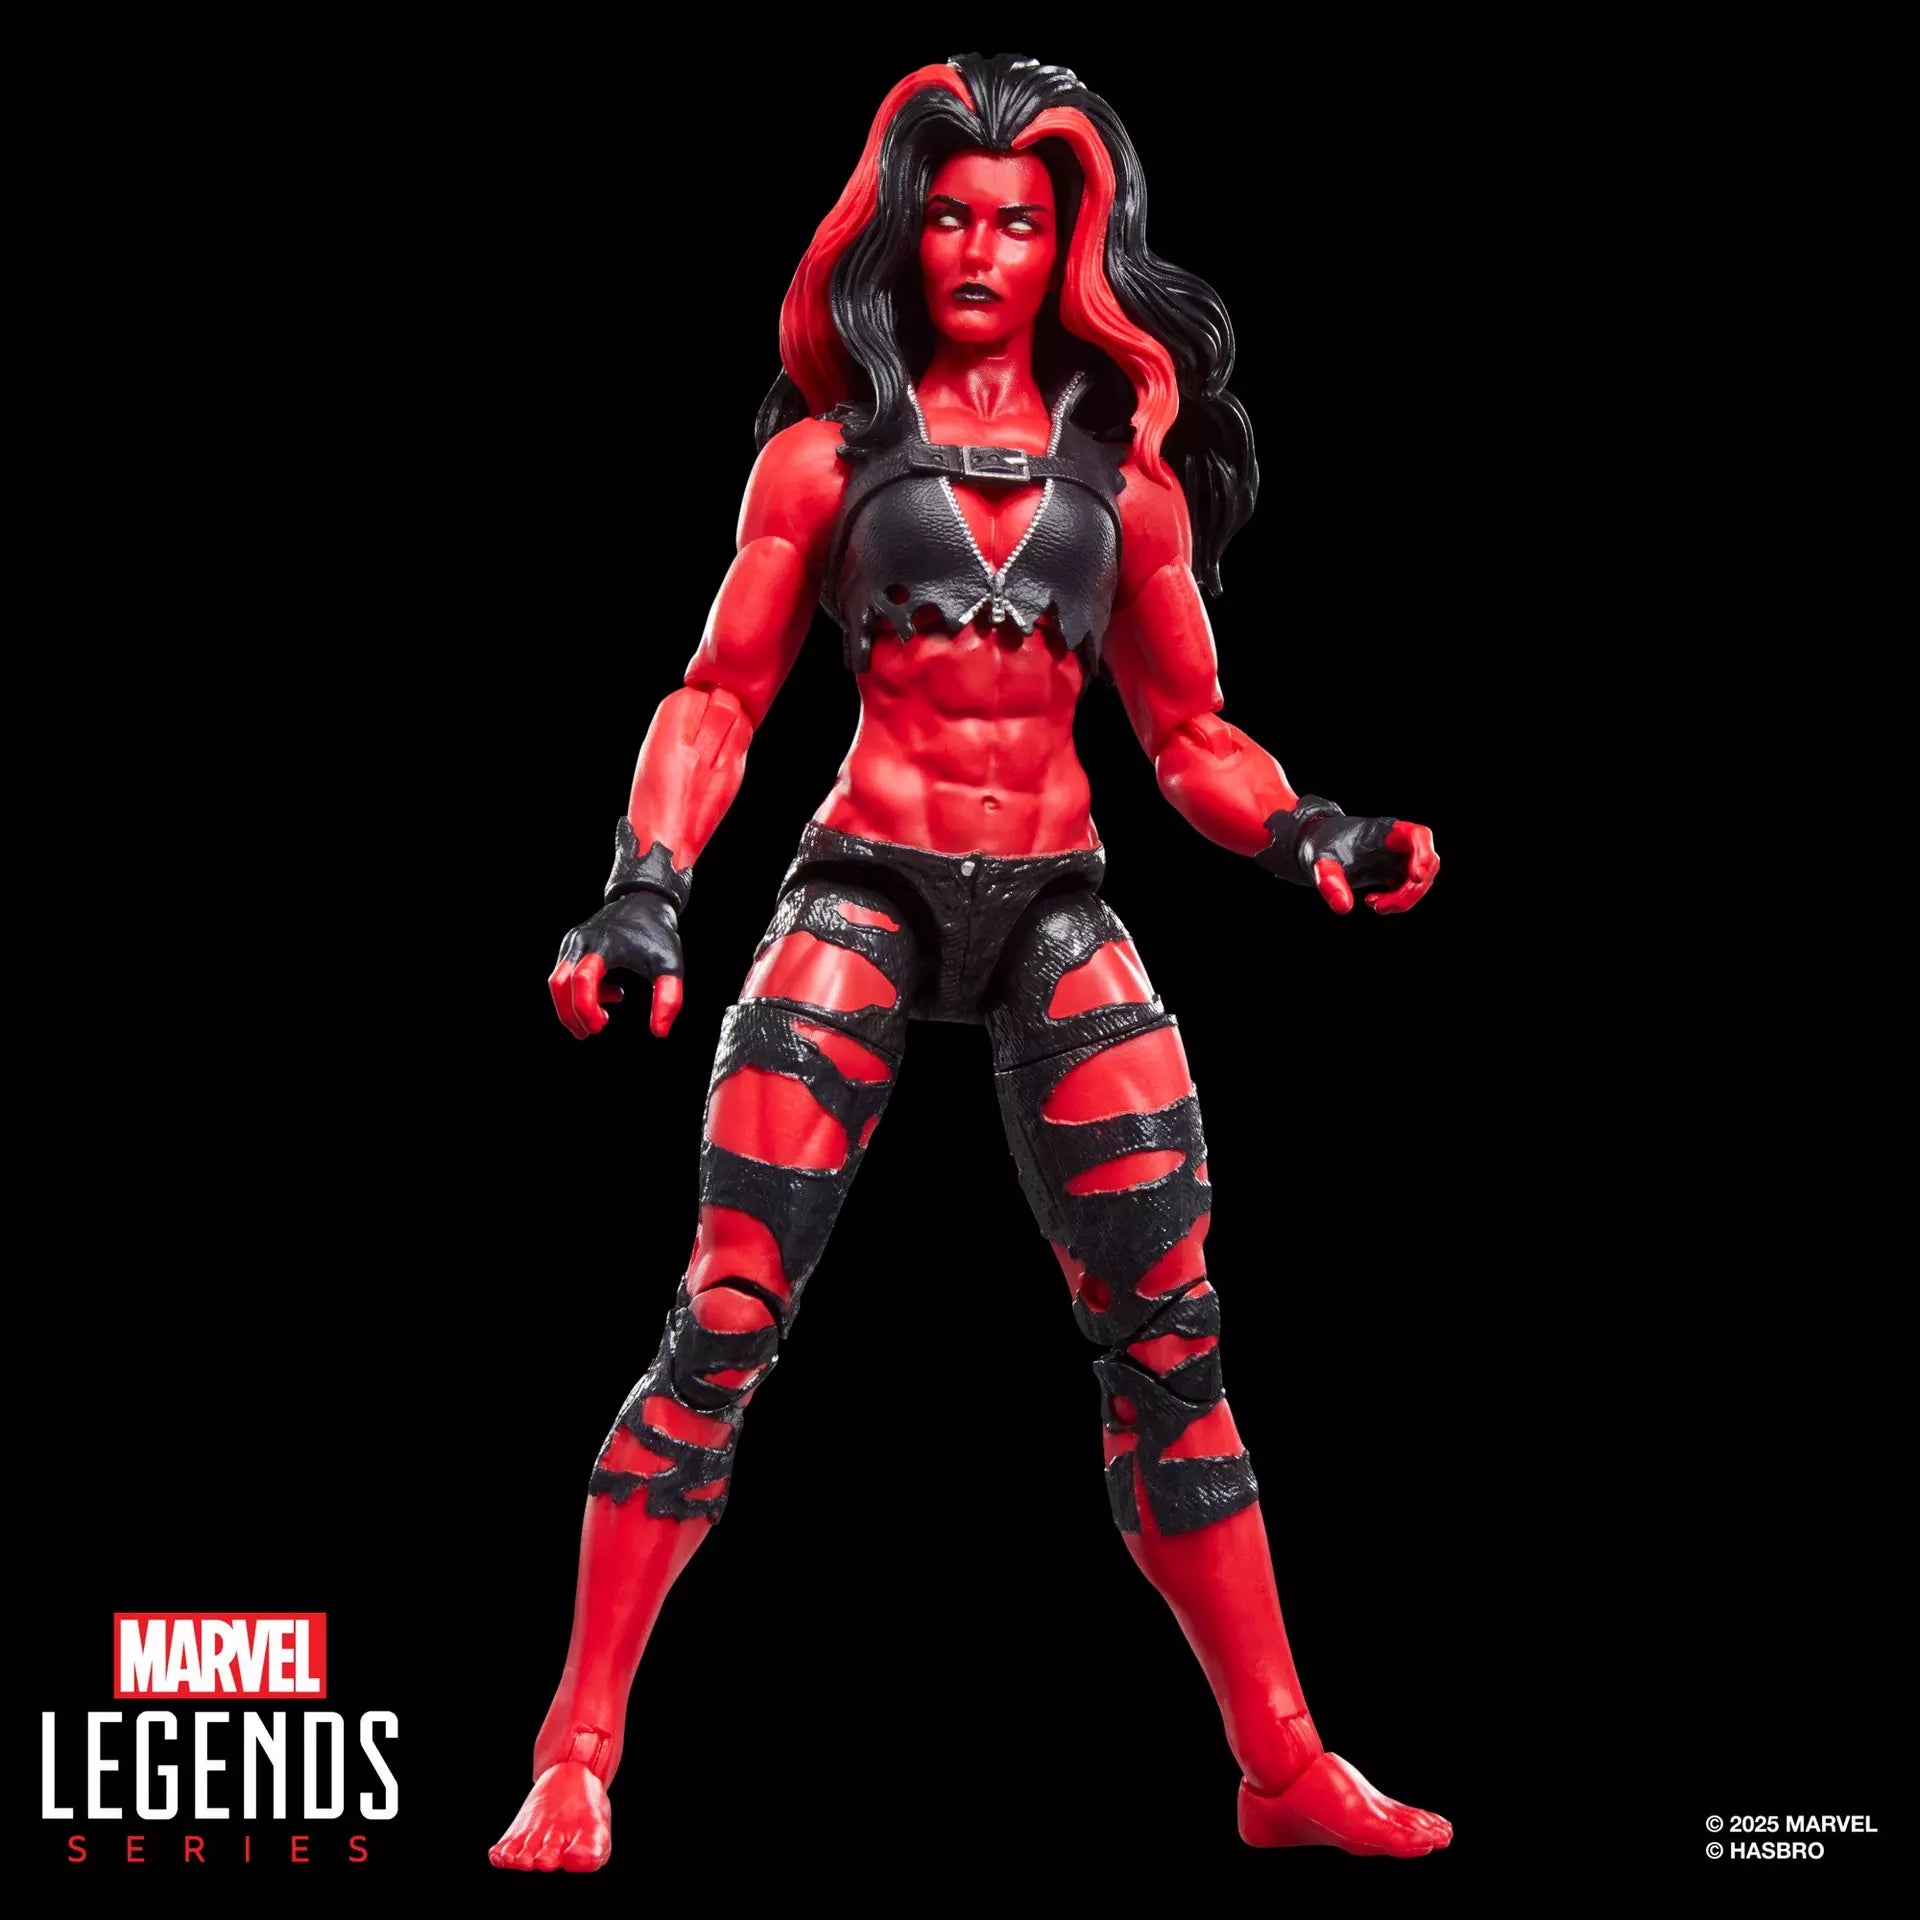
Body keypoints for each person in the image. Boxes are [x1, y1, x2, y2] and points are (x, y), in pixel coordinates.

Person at [491, 52, 1445, 1872]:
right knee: (726, 1312)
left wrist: (1308, 826)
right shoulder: (824, 460)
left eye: (1017, 219)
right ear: (904, 232)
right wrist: (641, 888)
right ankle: (576, 1746)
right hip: (865, 879)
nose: (982, 250)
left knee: (1172, 1339)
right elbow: (719, 694)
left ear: (1067, 241)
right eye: (950, 215)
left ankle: (1281, 1764)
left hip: (1055, 899)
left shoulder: (1129, 488)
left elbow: (1190, 735)